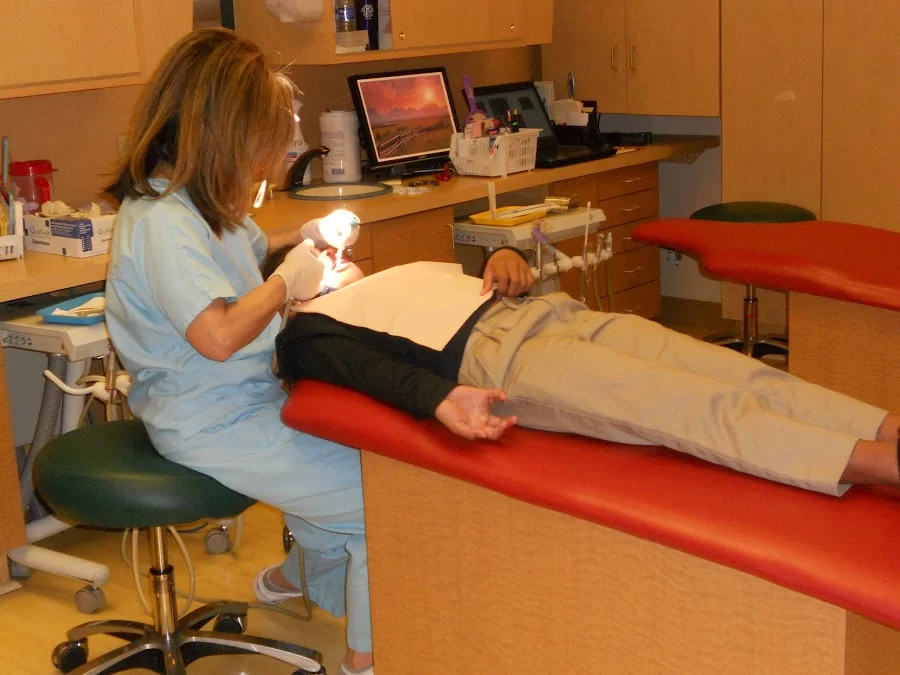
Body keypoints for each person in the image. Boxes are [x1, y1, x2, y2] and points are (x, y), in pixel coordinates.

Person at [104, 29, 375, 675]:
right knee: (379, 499)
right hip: (210, 420)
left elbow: (245, 263)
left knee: (361, 450)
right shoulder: (162, 221)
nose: (271, 156)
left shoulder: (199, 203)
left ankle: (291, 577)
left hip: (247, 398)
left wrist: (306, 243)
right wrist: (288, 282)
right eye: (262, 139)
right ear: (218, 130)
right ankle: (365, 659)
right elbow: (219, 335)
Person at [265, 244, 900, 498]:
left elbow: (473, 280)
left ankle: (884, 428)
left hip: (550, 315)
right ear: (296, 288)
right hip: (507, 362)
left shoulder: (391, 276)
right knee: (686, 402)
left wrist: (504, 256)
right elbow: (375, 374)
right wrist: (442, 399)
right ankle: (876, 464)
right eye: (323, 258)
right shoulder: (309, 328)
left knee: (733, 371)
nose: (338, 255)